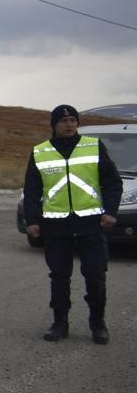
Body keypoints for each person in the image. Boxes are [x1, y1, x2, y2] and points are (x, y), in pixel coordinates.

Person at [23, 105, 122, 344]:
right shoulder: (40, 152)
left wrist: (110, 211)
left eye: (73, 120)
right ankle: (60, 323)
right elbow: (32, 190)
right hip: (56, 226)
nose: (70, 125)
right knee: (59, 277)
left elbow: (112, 183)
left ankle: (98, 324)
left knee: (96, 276)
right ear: (54, 125)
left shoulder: (93, 146)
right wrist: (32, 220)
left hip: (91, 224)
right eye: (64, 120)